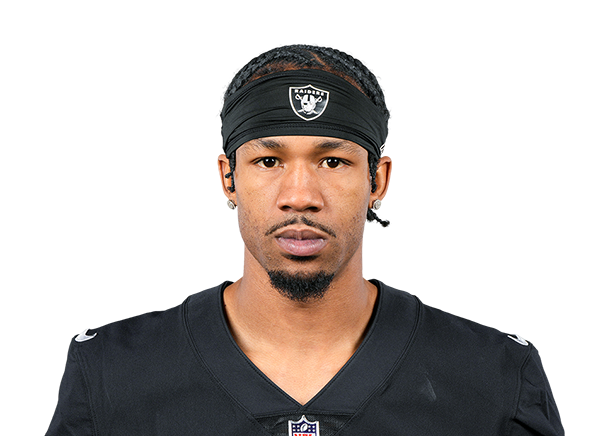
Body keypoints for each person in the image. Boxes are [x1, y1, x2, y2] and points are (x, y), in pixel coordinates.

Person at [47, 45, 564, 435]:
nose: (300, 196)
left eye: (332, 161)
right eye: (268, 161)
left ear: (377, 180)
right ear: (228, 177)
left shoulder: (494, 378)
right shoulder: (112, 374)